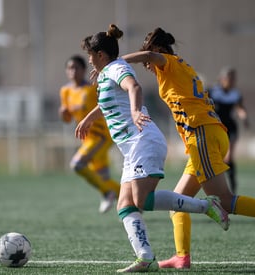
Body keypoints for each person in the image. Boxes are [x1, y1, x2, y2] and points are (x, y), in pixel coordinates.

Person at [122, 27, 255, 269]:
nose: (145, 65)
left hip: (202, 134)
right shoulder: (178, 67)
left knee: (225, 201)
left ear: (157, 50)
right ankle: (182, 257)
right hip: (208, 135)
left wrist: (115, 63)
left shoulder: (167, 62)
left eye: (147, 57)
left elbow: (149, 57)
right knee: (177, 202)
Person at [76, 24, 229, 273]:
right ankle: (145, 257)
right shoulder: (106, 74)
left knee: (142, 200)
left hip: (143, 141)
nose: (90, 61)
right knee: (125, 205)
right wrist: (90, 118)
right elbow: (111, 101)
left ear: (101, 55)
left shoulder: (116, 68)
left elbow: (133, 88)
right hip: (132, 147)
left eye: (91, 56)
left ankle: (207, 206)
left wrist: (136, 111)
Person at [59, 55, 120, 213]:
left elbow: (105, 106)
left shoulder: (92, 88)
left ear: (84, 70)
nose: (73, 71)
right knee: (103, 179)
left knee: (77, 165)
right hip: (87, 139)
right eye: (69, 68)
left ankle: (107, 194)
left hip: (101, 136)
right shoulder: (65, 91)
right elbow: (67, 119)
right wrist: (63, 113)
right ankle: (133, 202)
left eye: (76, 68)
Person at [208, 67, 249, 194]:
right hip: (216, 127)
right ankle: (219, 185)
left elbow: (240, 108)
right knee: (216, 158)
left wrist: (244, 117)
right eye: (229, 78)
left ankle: (232, 185)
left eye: (233, 79)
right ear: (222, 79)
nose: (231, 81)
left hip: (230, 127)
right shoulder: (213, 92)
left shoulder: (235, 94)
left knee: (229, 157)